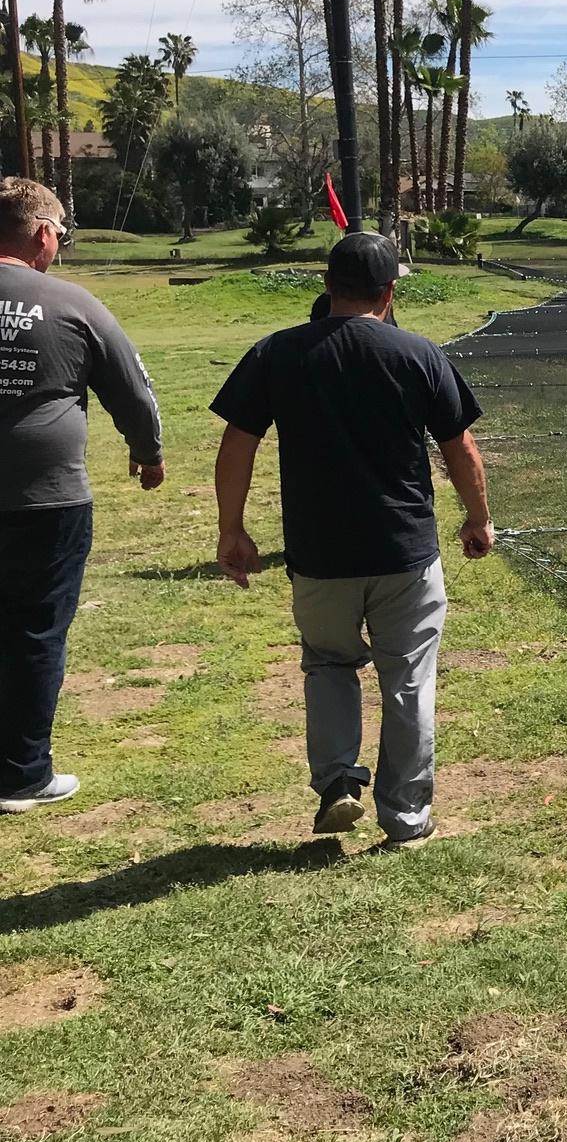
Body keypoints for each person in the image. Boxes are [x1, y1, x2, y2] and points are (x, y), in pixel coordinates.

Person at [211, 232, 492, 843]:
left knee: (329, 665)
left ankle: (338, 781)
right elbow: (459, 447)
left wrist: (232, 529)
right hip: (404, 551)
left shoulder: (277, 353)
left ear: (327, 286)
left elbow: (238, 443)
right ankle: (406, 815)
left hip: (319, 557)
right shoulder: (419, 354)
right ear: (389, 293)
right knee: (410, 676)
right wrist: (478, 517)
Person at [0, 178, 164, 815]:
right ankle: (21, 773)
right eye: (61, 233)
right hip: (47, 499)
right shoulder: (72, 304)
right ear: (43, 233)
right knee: (36, 631)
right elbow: (132, 386)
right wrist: (147, 451)